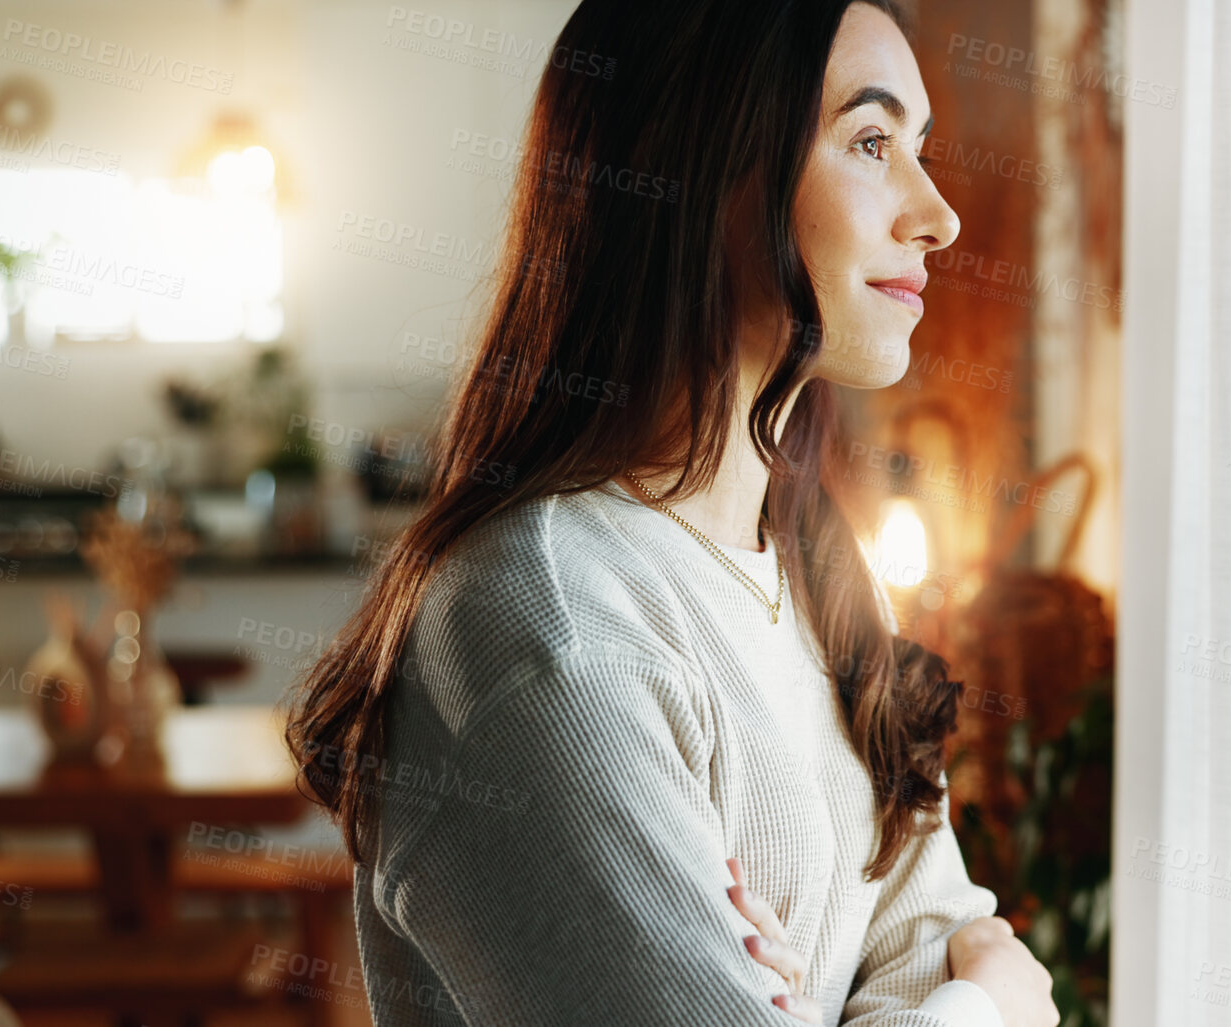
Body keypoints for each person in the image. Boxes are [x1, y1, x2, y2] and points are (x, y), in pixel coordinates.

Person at [283, 1, 1061, 1024]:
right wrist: (989, 1007)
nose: (938, 214)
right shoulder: (544, 622)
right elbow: (974, 971)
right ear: (702, 165)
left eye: (916, 145)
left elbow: (939, 929)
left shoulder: (821, 569)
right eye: (872, 142)